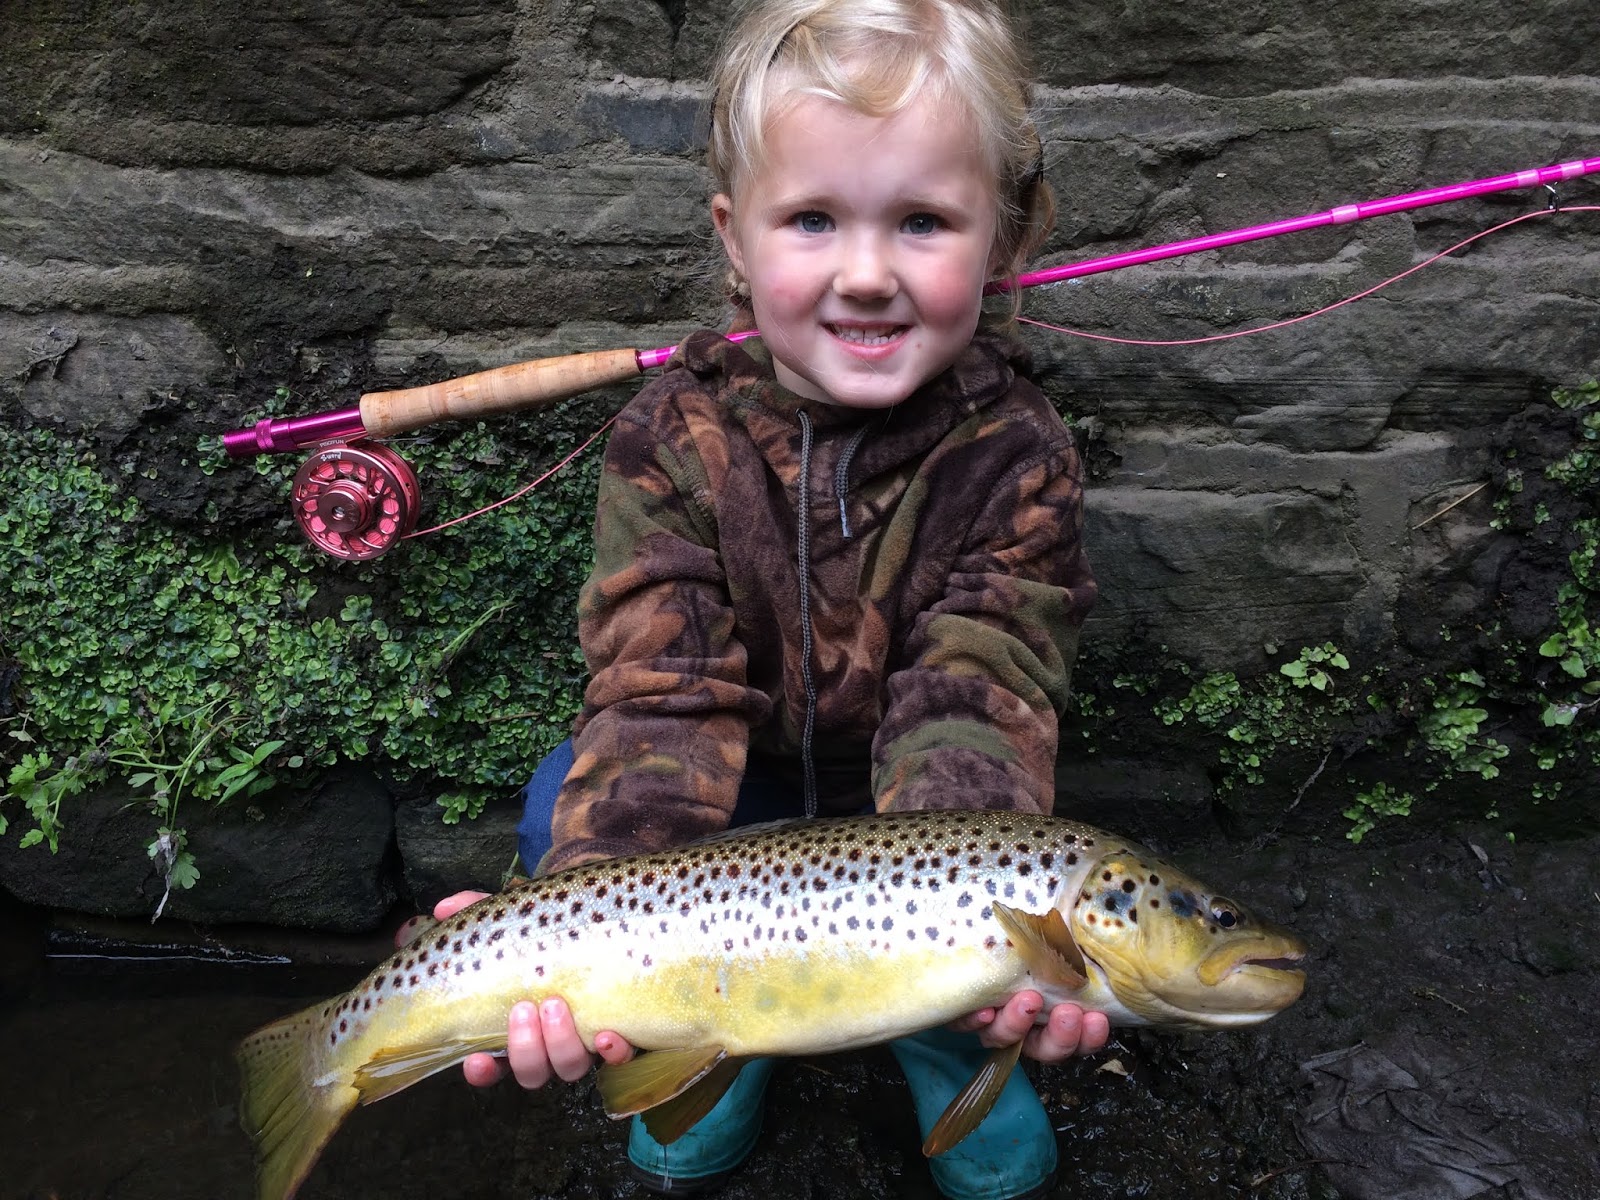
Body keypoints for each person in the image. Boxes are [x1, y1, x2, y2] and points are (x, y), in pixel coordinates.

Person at [422, 1, 1105, 1196]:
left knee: (995, 915)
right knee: (556, 809)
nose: (866, 274)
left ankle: (949, 1037)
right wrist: (577, 914)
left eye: (923, 222)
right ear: (732, 239)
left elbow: (978, 691)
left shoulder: (1018, 453)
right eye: (811, 220)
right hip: (733, 794)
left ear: (1001, 241)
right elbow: (661, 696)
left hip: (919, 805)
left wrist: (977, 940)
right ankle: (696, 1041)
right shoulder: (669, 437)